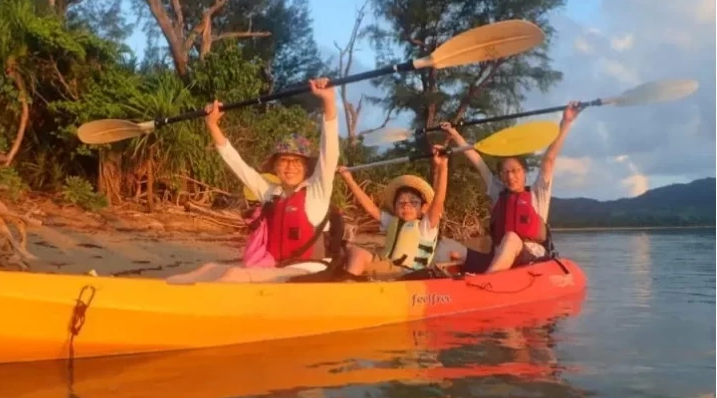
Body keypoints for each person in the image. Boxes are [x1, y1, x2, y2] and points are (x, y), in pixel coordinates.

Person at [167, 78, 341, 284]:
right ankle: (162, 291)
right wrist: (212, 125)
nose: (290, 166)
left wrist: (329, 102)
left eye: (296, 162)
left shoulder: (316, 192)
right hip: (278, 269)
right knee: (209, 269)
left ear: (306, 168)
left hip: (309, 272)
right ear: (275, 167)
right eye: (284, 161)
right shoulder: (271, 193)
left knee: (234, 276)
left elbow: (329, 152)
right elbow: (237, 164)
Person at [435, 101, 583, 273]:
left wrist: (565, 122)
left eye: (515, 171)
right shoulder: (498, 193)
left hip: (530, 257)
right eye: (505, 172)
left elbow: (549, 160)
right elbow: (476, 160)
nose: (510, 177)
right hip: (498, 257)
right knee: (446, 245)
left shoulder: (538, 193)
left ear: (524, 172)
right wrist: (453, 134)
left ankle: (488, 282)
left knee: (511, 238)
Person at [336, 145, 449, 280]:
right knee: (350, 250)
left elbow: (438, 201)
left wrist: (443, 167)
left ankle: (346, 287)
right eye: (401, 203)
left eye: (413, 202)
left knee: (356, 253)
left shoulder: (425, 227)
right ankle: (346, 281)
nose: (407, 206)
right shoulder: (393, 222)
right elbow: (371, 208)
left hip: (407, 274)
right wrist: (349, 179)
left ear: (423, 208)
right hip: (387, 268)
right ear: (395, 208)